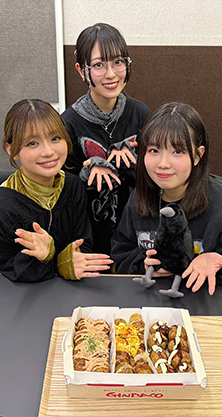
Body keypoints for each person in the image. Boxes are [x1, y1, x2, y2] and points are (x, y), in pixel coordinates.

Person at [111, 102, 222, 295]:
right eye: (154, 150)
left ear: (197, 155)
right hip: (154, 304)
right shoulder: (140, 197)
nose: (163, 163)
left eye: (177, 151)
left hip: (209, 305)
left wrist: (219, 262)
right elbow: (120, 255)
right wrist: (142, 264)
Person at [0, 99, 112, 282]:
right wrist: (46, 259)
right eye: (32, 143)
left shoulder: (72, 185)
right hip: (19, 295)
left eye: (55, 138)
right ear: (12, 150)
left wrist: (69, 262)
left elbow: (83, 242)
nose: (48, 152)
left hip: (67, 290)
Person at [61, 23, 151, 256]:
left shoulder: (140, 113)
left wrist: (132, 162)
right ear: (82, 70)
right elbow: (62, 189)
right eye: (99, 65)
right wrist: (88, 171)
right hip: (87, 238)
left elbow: (155, 182)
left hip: (133, 234)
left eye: (118, 62)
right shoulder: (68, 123)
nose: (111, 74)